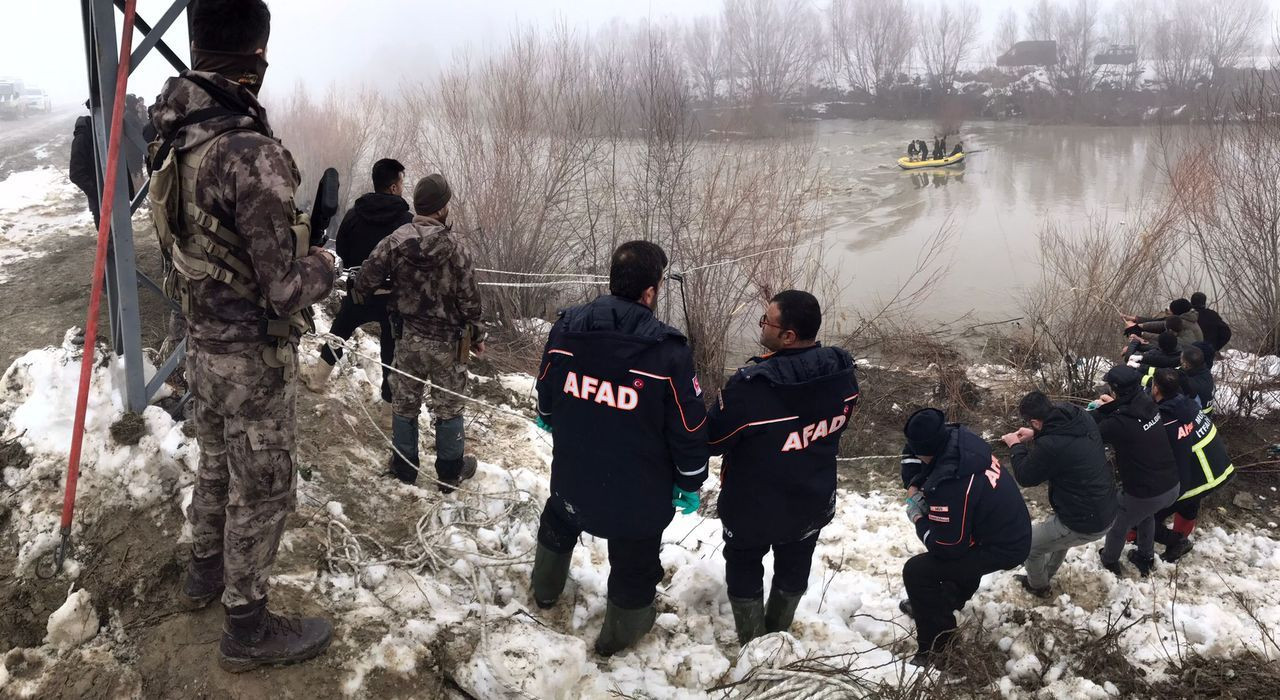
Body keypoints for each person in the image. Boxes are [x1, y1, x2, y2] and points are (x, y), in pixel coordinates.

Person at [151, 0, 337, 671]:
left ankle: (204, 572)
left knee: (216, 464)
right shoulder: (250, 154)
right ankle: (247, 631)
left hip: (200, 346)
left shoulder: (174, 138)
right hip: (252, 360)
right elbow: (284, 288)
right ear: (257, 53)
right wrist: (326, 261)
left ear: (199, 48)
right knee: (262, 490)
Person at [529, 241, 708, 657]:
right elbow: (689, 426)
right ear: (650, 291)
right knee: (635, 559)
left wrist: (548, 412)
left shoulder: (567, 329)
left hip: (572, 479)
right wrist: (691, 478)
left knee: (557, 519)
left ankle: (544, 591)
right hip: (637, 498)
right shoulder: (667, 352)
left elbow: (547, 386)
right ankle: (619, 634)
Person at [707, 290, 860, 647]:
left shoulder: (751, 387)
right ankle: (776, 633)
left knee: (744, 567)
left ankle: (753, 642)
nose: (761, 325)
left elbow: (712, 441)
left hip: (752, 506)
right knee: (795, 567)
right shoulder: (843, 376)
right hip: (812, 499)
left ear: (788, 335)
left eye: (766, 321)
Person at [354, 173, 484, 490]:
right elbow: (471, 302)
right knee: (449, 407)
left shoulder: (395, 241)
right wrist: (477, 336)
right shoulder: (458, 250)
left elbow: (364, 283)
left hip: (407, 338)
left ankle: (404, 468)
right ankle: (450, 473)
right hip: (448, 345)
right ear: (443, 208)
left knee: (404, 404)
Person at [899, 409, 1031, 667]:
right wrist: (915, 484)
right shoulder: (958, 438)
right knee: (963, 554)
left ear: (926, 451)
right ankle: (940, 604)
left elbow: (948, 547)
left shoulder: (951, 482)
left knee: (917, 571)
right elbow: (916, 456)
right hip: (1002, 527)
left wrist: (918, 518)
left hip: (1005, 545)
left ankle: (939, 649)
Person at [302, 158, 412, 401]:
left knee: (339, 331)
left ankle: (318, 379)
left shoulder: (354, 214)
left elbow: (342, 247)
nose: (403, 187)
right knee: (391, 348)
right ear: (393, 187)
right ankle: (388, 403)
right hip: (391, 297)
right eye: (402, 182)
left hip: (358, 290)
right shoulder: (406, 221)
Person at [1003, 391, 1117, 598]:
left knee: (1028, 547)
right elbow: (1060, 440)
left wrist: (1015, 446)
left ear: (1036, 421)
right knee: (1059, 536)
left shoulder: (1051, 446)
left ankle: (1038, 587)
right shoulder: (1076, 415)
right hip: (1103, 505)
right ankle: (1046, 574)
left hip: (1086, 521)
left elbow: (1025, 477)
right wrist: (1035, 434)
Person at [1090, 366, 1181, 577]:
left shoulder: (1118, 424)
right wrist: (1110, 406)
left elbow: (1092, 431)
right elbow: (1129, 416)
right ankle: (1145, 555)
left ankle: (1109, 560)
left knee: (1119, 522)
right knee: (1145, 513)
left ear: (1114, 390)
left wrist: (1098, 411)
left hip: (1146, 491)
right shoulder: (1148, 403)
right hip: (1170, 484)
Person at [1150, 369, 1235, 562]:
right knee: (1190, 502)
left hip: (1201, 473)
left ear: (1156, 389)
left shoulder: (1168, 418)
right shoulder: (1185, 405)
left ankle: (1176, 541)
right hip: (1217, 466)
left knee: (1146, 515)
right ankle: (1181, 535)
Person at [1123, 298, 1202, 345]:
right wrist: (1139, 326)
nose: (1169, 313)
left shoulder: (1185, 326)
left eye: (1171, 312)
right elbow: (1162, 324)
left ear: (1177, 313)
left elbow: (1167, 340)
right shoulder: (1185, 319)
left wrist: (1142, 334)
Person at [69, 110, 100, 227]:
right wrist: (97, 192)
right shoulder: (82, 138)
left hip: (109, 198)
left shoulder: (98, 134)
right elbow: (76, 174)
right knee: (109, 238)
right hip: (99, 201)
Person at [1179, 345, 1215, 413]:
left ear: (1186, 365)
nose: (1179, 360)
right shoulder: (1205, 372)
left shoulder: (1190, 384)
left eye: (1181, 358)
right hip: (1206, 414)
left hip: (1197, 417)